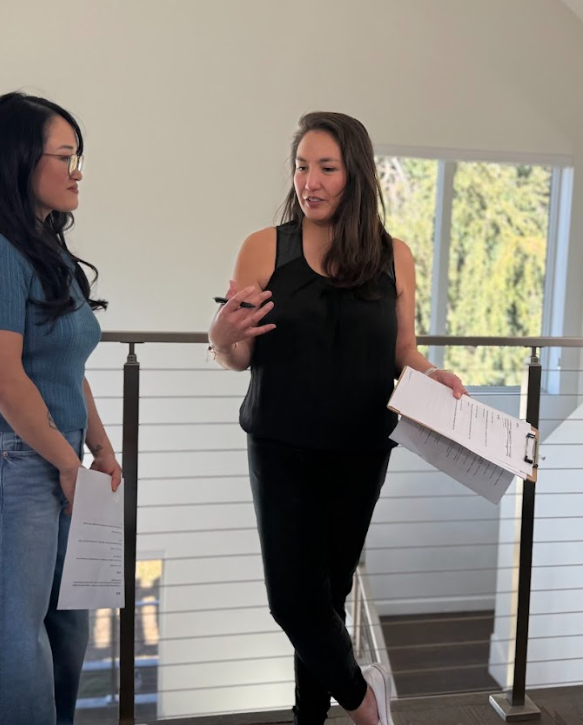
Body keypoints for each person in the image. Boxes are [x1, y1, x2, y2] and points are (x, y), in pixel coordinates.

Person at [208, 111, 466, 725]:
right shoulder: (264, 246)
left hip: (362, 449)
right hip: (280, 447)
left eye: (326, 168)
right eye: (302, 167)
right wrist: (220, 337)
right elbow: (239, 355)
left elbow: (402, 351)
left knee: (329, 596)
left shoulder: (394, 256)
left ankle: (311, 717)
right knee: (292, 601)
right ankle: (364, 703)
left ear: (356, 175)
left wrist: (432, 374)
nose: (310, 182)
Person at [0, 92, 121, 725]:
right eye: (65, 157)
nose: (77, 172)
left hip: (57, 456)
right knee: (13, 648)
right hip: (10, 464)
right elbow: (5, 380)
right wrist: (70, 466)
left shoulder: (47, 250)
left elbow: (65, 366)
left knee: (66, 635)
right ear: (19, 159)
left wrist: (99, 448)